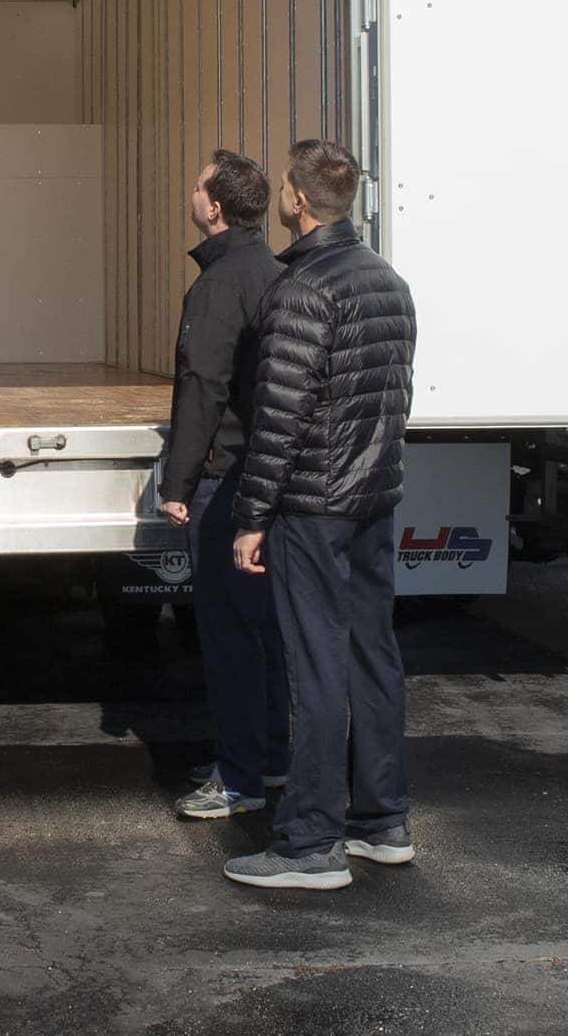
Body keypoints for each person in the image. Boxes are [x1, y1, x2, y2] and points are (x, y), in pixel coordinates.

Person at [222, 139, 417, 892]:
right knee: (372, 655)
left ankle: (309, 844)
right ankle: (380, 823)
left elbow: (279, 418)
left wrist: (249, 516)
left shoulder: (300, 289)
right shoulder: (387, 282)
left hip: (312, 504)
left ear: (297, 201)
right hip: (372, 500)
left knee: (316, 669)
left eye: (281, 189)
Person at [157, 150, 290, 821]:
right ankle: (266, 759)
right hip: (265, 476)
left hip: (226, 480)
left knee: (229, 637)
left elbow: (201, 388)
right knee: (260, 630)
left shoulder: (217, 285)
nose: (190, 190)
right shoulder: (272, 271)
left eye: (196, 184)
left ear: (213, 205)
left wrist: (177, 481)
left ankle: (237, 779)